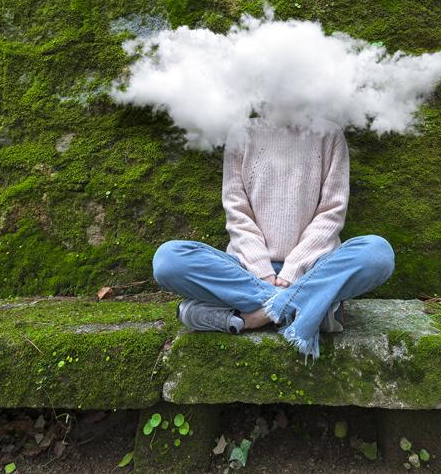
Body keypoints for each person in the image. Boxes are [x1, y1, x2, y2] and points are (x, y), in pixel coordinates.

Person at [151, 114, 395, 362]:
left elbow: (331, 214)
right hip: (245, 272)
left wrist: (292, 271)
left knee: (377, 253)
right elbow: (238, 214)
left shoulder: (330, 135)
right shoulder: (241, 134)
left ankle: (253, 317)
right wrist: (263, 271)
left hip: (314, 269)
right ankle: (313, 307)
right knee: (168, 259)